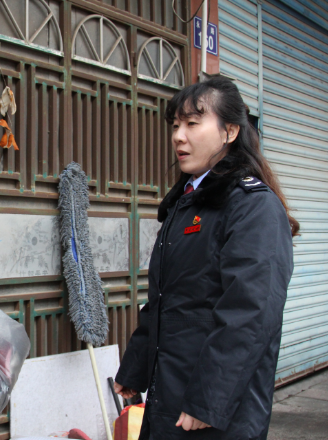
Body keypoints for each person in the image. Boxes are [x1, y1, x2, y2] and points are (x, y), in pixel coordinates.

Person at [113, 76, 298, 440]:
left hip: (216, 410)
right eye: (176, 125)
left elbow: (250, 315)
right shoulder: (186, 203)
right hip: (171, 393)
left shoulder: (253, 207)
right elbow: (166, 301)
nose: (179, 136)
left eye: (193, 124)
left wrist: (207, 400)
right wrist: (135, 367)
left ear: (229, 132)